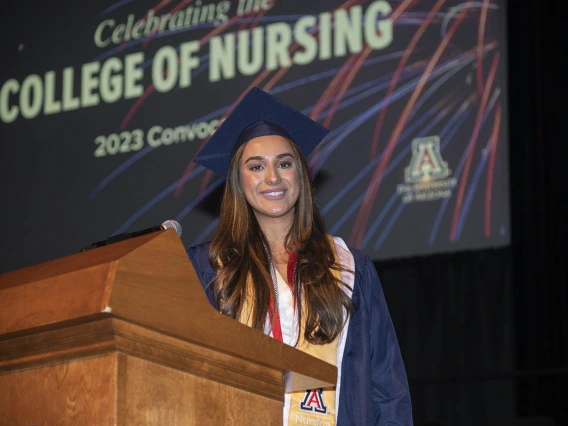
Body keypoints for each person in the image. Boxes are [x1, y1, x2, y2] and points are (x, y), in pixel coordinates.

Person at [187, 87, 413, 425]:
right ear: (239, 180)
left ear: (300, 174)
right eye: (256, 166)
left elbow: (386, 383)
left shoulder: (350, 266)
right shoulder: (209, 267)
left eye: (284, 163)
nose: (273, 177)